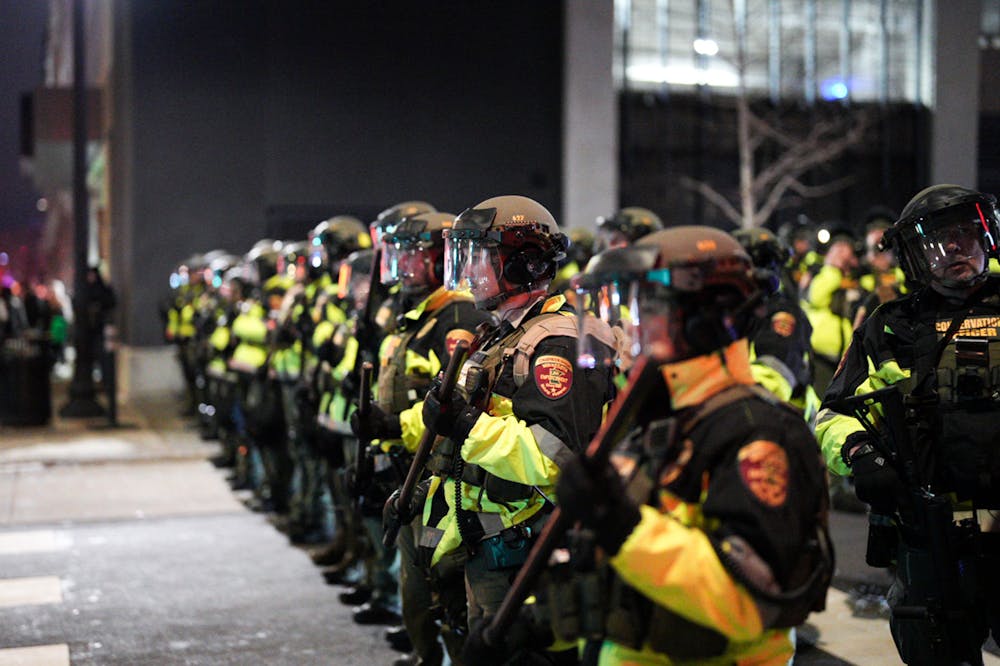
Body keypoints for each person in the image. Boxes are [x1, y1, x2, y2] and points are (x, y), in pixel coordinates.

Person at [478, 226, 831, 665]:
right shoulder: (661, 418)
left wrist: (621, 524)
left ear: (702, 318)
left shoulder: (757, 432)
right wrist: (539, 625)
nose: (628, 327)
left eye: (645, 310)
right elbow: (633, 581)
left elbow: (749, 600)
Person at [406, 195, 618, 663]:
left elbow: (554, 457)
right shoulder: (501, 332)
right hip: (492, 543)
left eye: (482, 257)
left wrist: (465, 424)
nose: (472, 272)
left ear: (525, 264)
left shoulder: (558, 340)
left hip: (530, 552)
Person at [815, 184, 1000, 665]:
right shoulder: (890, 326)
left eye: (964, 232)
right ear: (916, 257)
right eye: (939, 241)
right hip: (932, 534)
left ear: (987, 234)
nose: (954, 247)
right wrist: (861, 454)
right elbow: (833, 414)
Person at [351, 210, 494, 665]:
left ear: (437, 258)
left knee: (440, 587)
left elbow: (447, 400)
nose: (404, 266)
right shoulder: (415, 312)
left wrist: (393, 426)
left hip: (434, 469)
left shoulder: (456, 314)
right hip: (407, 460)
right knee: (415, 584)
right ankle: (423, 653)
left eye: (413, 255)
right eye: (399, 255)